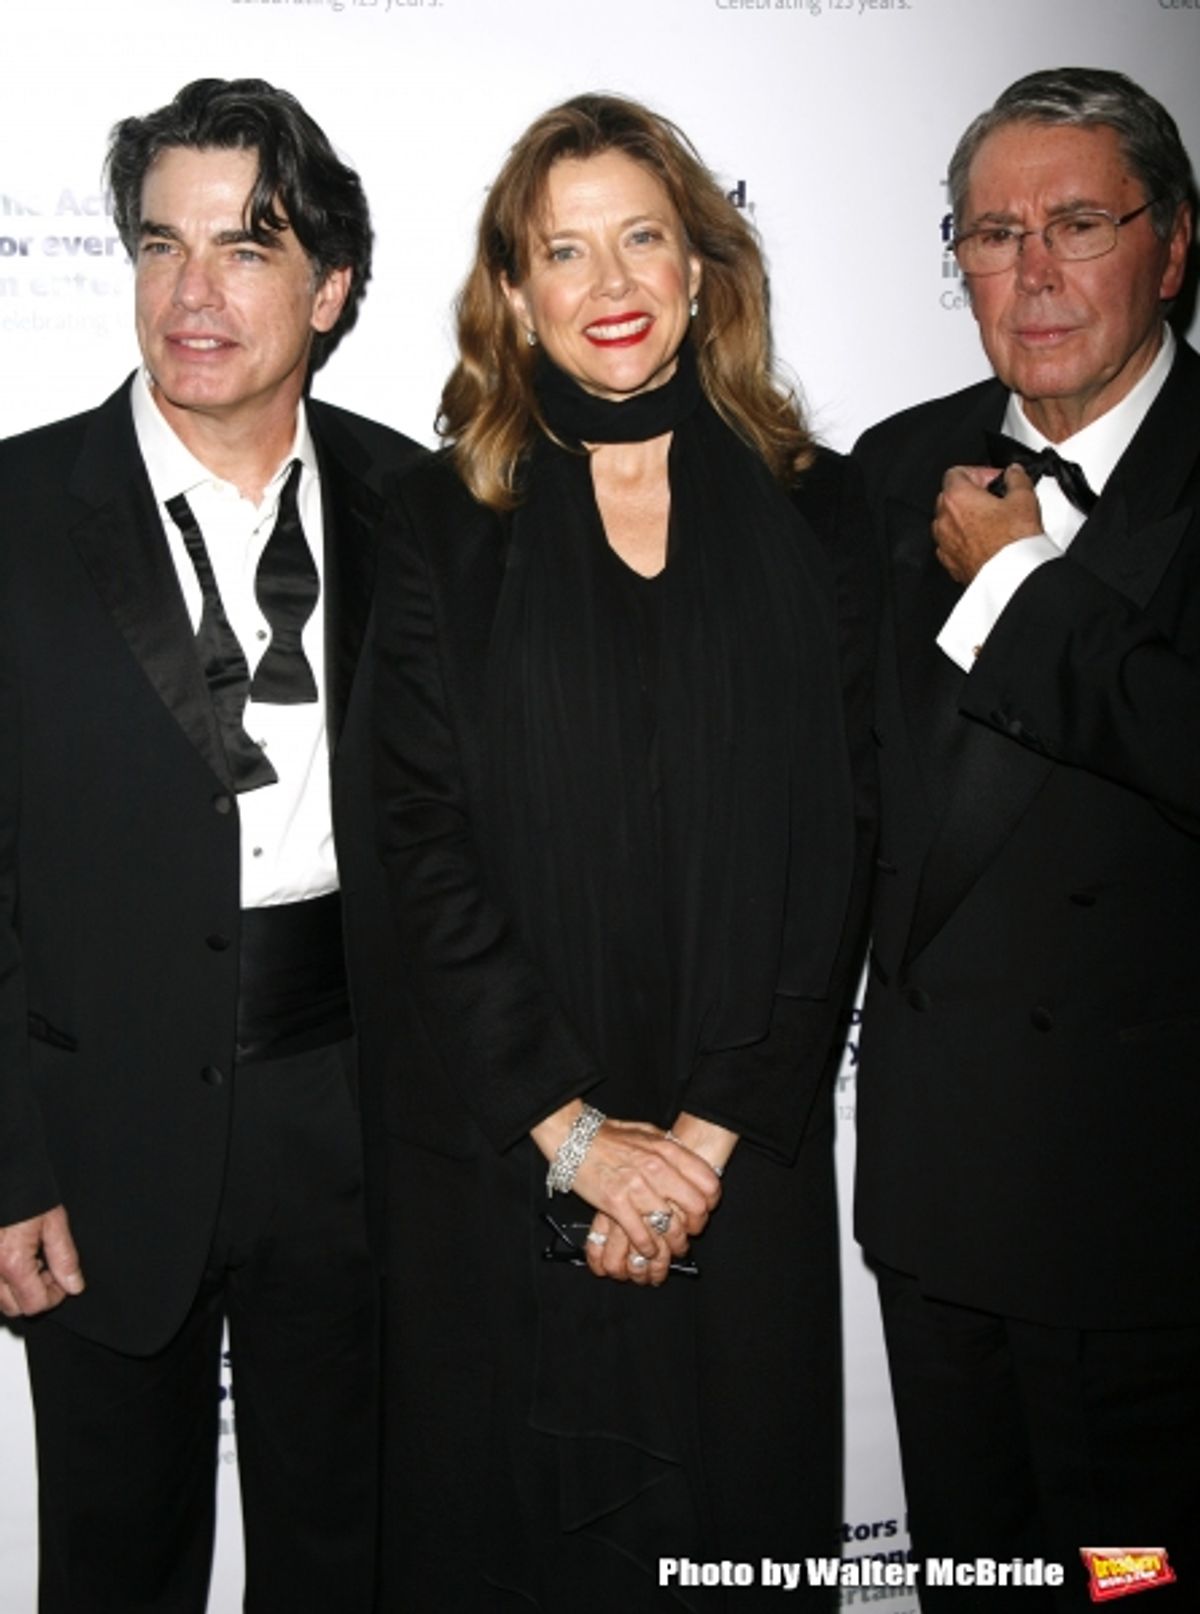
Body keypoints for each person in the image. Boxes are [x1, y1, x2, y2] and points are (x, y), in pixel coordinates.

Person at [370, 92, 877, 1611]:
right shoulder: (433, 521)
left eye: (642, 238)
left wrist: (701, 1144)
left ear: (701, 269)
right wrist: (581, 1141)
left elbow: (845, 840)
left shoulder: (823, 510)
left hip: (743, 1162)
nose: (609, 283)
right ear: (513, 292)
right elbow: (418, 846)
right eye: (564, 249)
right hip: (519, 1156)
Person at [0, 78, 423, 1612]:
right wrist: (7, 1157)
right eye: (162, 245)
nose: (193, 292)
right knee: (113, 1566)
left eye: (246, 248)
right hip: (94, 1131)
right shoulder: (15, 511)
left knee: (348, 1557)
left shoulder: (420, 505)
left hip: (359, 1127)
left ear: (332, 287)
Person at [854, 66, 1198, 1607]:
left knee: (1134, 1583)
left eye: (1078, 224)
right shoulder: (888, 469)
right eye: (993, 235)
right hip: (940, 1215)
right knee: (979, 1578)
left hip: (1149, 1242)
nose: (1034, 271)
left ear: (1171, 246)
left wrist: (1015, 586)